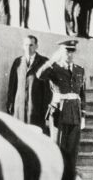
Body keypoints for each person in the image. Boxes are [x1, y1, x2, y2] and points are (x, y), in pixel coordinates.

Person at [36, 39, 86, 171]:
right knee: (58, 145)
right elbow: (39, 75)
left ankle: (69, 173)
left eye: (72, 52)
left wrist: (84, 114)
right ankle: (56, 172)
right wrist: (51, 61)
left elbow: (81, 93)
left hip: (75, 112)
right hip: (59, 111)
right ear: (60, 52)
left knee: (72, 148)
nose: (69, 55)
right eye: (66, 51)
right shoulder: (54, 68)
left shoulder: (79, 70)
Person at [6, 35, 51, 131]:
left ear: (36, 46)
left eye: (31, 45)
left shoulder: (44, 62)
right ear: (23, 46)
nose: (28, 48)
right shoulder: (18, 62)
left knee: (35, 136)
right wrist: (10, 104)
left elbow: (48, 89)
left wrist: (46, 109)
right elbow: (12, 85)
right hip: (19, 109)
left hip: (36, 109)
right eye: (26, 45)